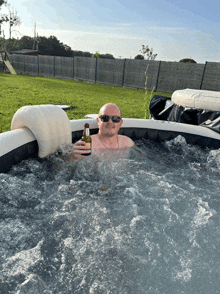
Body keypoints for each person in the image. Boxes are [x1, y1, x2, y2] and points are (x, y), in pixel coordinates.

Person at [69, 103, 134, 161]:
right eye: (105, 118)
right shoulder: (86, 145)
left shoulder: (127, 142)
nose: (110, 122)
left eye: (115, 119)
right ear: (98, 121)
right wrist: (72, 157)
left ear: (120, 123)